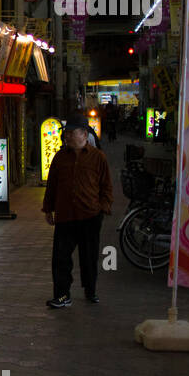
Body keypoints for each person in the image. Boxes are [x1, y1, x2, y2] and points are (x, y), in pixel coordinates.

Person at [42, 116, 114, 308]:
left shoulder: (98, 157)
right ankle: (62, 295)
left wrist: (104, 207)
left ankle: (90, 290)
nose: (67, 136)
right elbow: (52, 185)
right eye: (66, 133)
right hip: (65, 215)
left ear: (84, 134)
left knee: (89, 257)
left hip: (90, 215)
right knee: (61, 257)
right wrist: (48, 208)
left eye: (71, 133)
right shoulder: (59, 157)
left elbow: (106, 185)